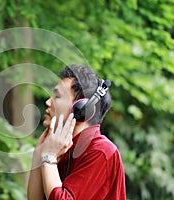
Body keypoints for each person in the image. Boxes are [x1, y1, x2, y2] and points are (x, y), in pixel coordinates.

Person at [27, 64, 126, 200]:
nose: (48, 102)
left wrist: (49, 157)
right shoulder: (62, 148)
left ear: (82, 109)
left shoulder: (102, 152)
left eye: (57, 96)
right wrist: (40, 152)